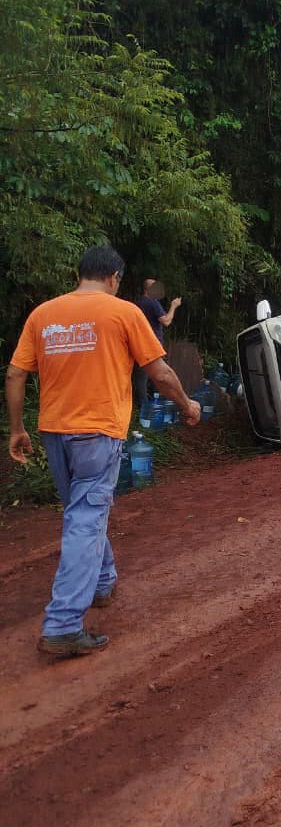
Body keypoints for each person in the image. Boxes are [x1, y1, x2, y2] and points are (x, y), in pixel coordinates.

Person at [5, 245, 201, 658]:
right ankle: (61, 625)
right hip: (97, 432)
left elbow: (16, 372)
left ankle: (102, 581)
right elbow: (160, 373)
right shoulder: (124, 312)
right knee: (85, 517)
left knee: (83, 513)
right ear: (114, 277)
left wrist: (17, 429)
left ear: (81, 274)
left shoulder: (43, 314)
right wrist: (187, 406)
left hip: (54, 433)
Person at [134, 278, 181, 410]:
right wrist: (173, 306)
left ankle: (143, 405)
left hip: (139, 343)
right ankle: (152, 407)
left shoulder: (138, 303)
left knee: (142, 376)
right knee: (158, 375)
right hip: (153, 345)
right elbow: (166, 321)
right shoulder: (153, 303)